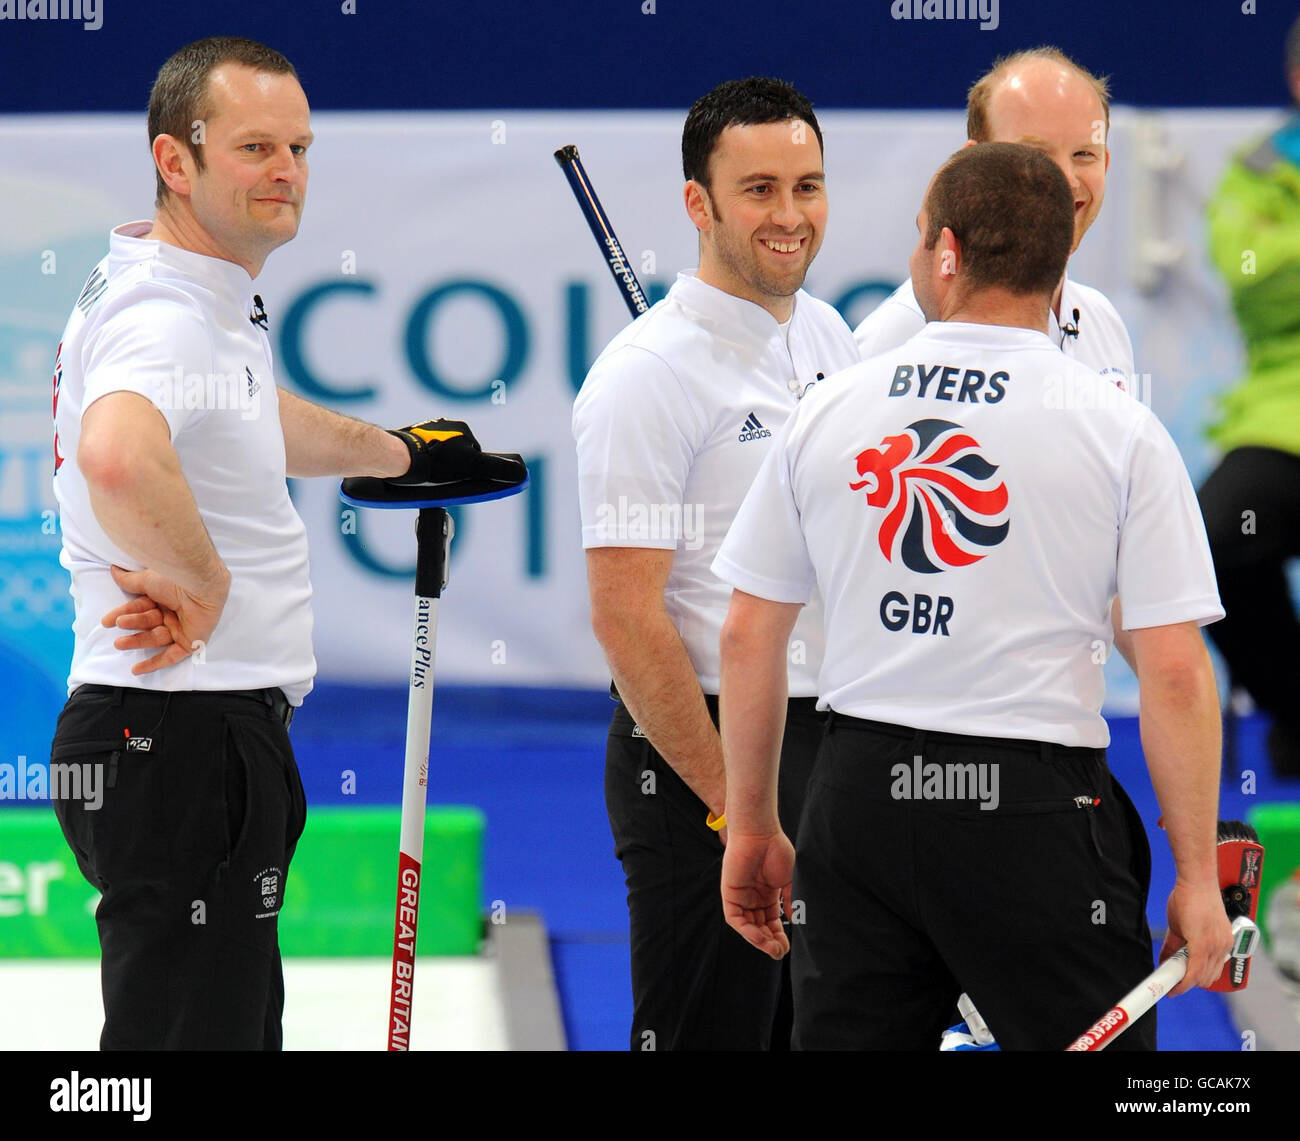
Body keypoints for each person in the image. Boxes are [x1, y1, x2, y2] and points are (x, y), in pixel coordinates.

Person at [49, 36, 518, 1050]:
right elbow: (118, 456)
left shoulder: (190, 290)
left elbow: (246, 414)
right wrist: (205, 586)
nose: (287, 173)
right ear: (178, 160)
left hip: (188, 736)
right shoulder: (164, 308)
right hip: (178, 735)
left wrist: (400, 453)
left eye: (300, 148)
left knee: (220, 1023)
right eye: (257, 148)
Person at [712, 143, 1233, 1050]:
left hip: (858, 798)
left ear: (945, 250)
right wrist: (1195, 874)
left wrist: (751, 825)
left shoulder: (831, 407)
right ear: (1063, 253)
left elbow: (751, 634)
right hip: (1031, 819)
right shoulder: (1121, 430)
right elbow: (1177, 674)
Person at [572, 77, 859, 1050]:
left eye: (808, 186)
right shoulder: (643, 377)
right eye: (760, 190)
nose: (789, 216)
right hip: (698, 748)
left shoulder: (826, 337)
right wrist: (740, 807)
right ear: (698, 204)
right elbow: (624, 615)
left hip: (826, 739)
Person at [858, 45, 1140, 667]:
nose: (1066, 181)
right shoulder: (890, 345)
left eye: (1084, 155)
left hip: (1057, 718)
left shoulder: (1102, 325)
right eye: (1036, 156)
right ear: (971, 165)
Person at [1201, 15, 1300, 777]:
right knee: (1218, 538)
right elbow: (1252, 278)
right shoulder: (1259, 168)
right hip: (1283, 408)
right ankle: (1297, 706)